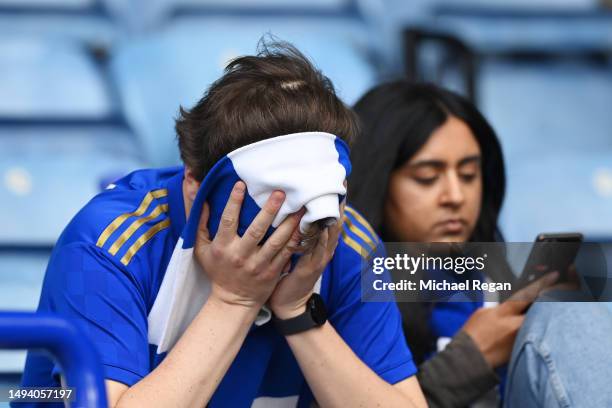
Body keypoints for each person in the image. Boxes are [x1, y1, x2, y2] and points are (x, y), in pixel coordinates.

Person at [17, 42, 428, 408]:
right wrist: (235, 299)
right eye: (270, 207)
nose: (293, 233)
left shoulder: (343, 241)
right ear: (193, 182)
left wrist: (298, 312)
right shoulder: (107, 242)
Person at [348, 81, 612, 408]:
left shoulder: (499, 276)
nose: (455, 197)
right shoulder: (340, 287)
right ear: (378, 182)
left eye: (469, 174)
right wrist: (470, 360)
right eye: (427, 177)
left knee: (567, 310)